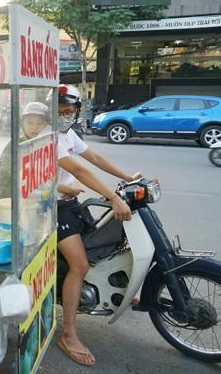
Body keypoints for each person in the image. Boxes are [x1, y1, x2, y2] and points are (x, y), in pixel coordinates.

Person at [55, 84, 142, 367]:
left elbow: (93, 157)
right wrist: (113, 196)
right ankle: (68, 335)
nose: (65, 116)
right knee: (80, 265)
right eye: (60, 112)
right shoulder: (49, 136)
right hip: (49, 208)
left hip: (68, 203)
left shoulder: (67, 134)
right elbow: (78, 170)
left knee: (98, 249)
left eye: (69, 112)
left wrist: (127, 177)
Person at [0, 101, 50, 206]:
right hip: (3, 197)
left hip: (22, 195)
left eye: (39, 124)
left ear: (45, 125)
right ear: (22, 123)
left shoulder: (39, 143)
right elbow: (13, 175)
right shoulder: (17, 144)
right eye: (30, 123)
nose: (34, 127)